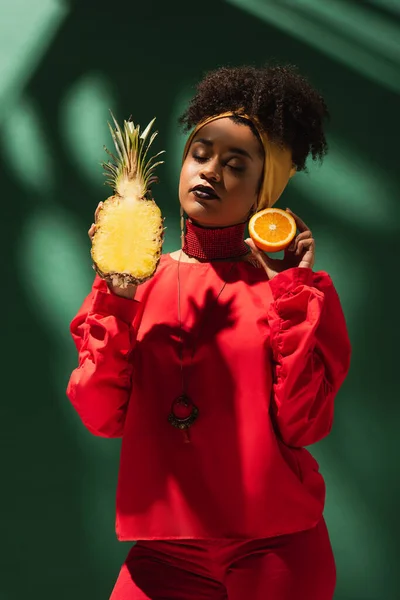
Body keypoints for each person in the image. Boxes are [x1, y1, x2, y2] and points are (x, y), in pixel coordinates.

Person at [67, 65, 351, 600]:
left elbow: (304, 423)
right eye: (200, 154)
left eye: (234, 164)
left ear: (264, 191)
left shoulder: (298, 291)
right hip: (164, 551)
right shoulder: (132, 285)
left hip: (275, 547)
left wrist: (290, 290)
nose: (210, 172)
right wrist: (116, 300)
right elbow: (101, 416)